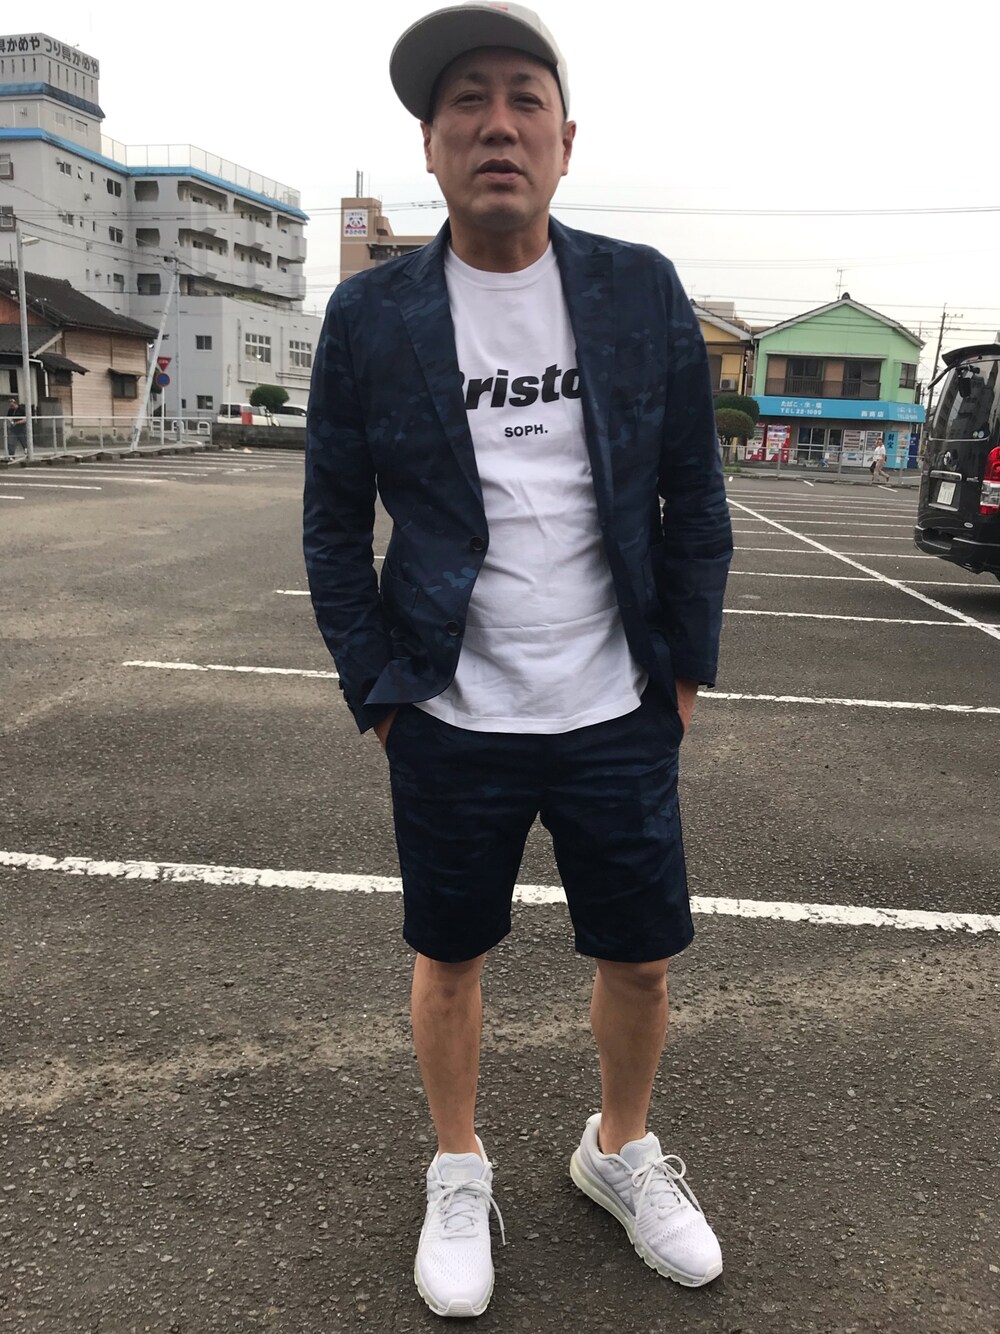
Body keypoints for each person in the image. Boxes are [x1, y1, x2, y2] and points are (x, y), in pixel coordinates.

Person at [303, 2, 733, 1318]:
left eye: (522, 99)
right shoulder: (371, 315)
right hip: (446, 708)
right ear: (431, 147)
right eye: (466, 104)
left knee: (642, 956)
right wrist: (381, 692)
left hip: (616, 700)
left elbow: (694, 496)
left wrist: (683, 674)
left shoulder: (637, 288)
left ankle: (620, 1148)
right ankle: (458, 1164)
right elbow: (331, 523)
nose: (497, 125)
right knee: (450, 954)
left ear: (565, 139)